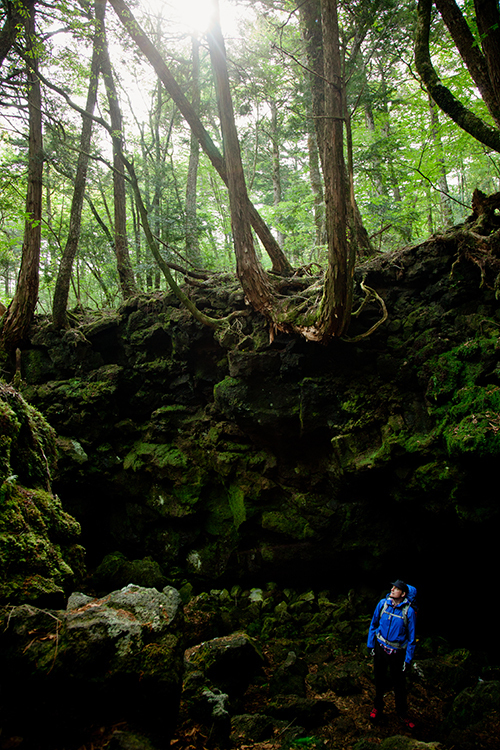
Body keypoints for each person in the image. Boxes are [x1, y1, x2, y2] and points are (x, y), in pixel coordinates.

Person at [367, 579, 416, 729]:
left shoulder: (409, 612)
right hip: (381, 647)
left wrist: (407, 660)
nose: (393, 589)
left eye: (397, 588)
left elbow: (411, 638)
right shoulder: (383, 604)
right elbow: (374, 624)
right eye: (393, 587)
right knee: (379, 680)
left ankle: (402, 714)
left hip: (397, 653)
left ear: (403, 593)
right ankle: (378, 707)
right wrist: (370, 645)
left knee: (399, 685)